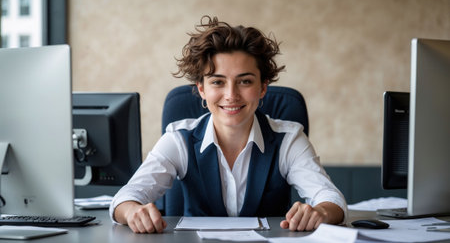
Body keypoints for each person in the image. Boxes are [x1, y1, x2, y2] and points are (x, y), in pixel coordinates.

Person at [110, 15, 347, 234]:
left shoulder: (289, 138)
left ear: (263, 87)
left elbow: (331, 199)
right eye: (218, 82)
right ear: (201, 89)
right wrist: (133, 210)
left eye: (244, 81)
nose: (231, 95)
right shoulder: (178, 139)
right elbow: (125, 198)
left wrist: (320, 212)